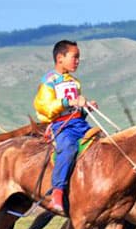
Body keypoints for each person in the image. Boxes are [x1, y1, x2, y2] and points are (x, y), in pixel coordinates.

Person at [33, 40, 96, 214]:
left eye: (79, 58)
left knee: (99, 145)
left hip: (79, 123)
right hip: (62, 125)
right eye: (74, 57)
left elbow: (76, 107)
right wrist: (70, 101)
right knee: (68, 147)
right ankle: (57, 192)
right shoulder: (48, 81)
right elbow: (44, 106)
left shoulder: (75, 82)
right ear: (60, 58)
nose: (77, 61)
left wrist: (86, 107)